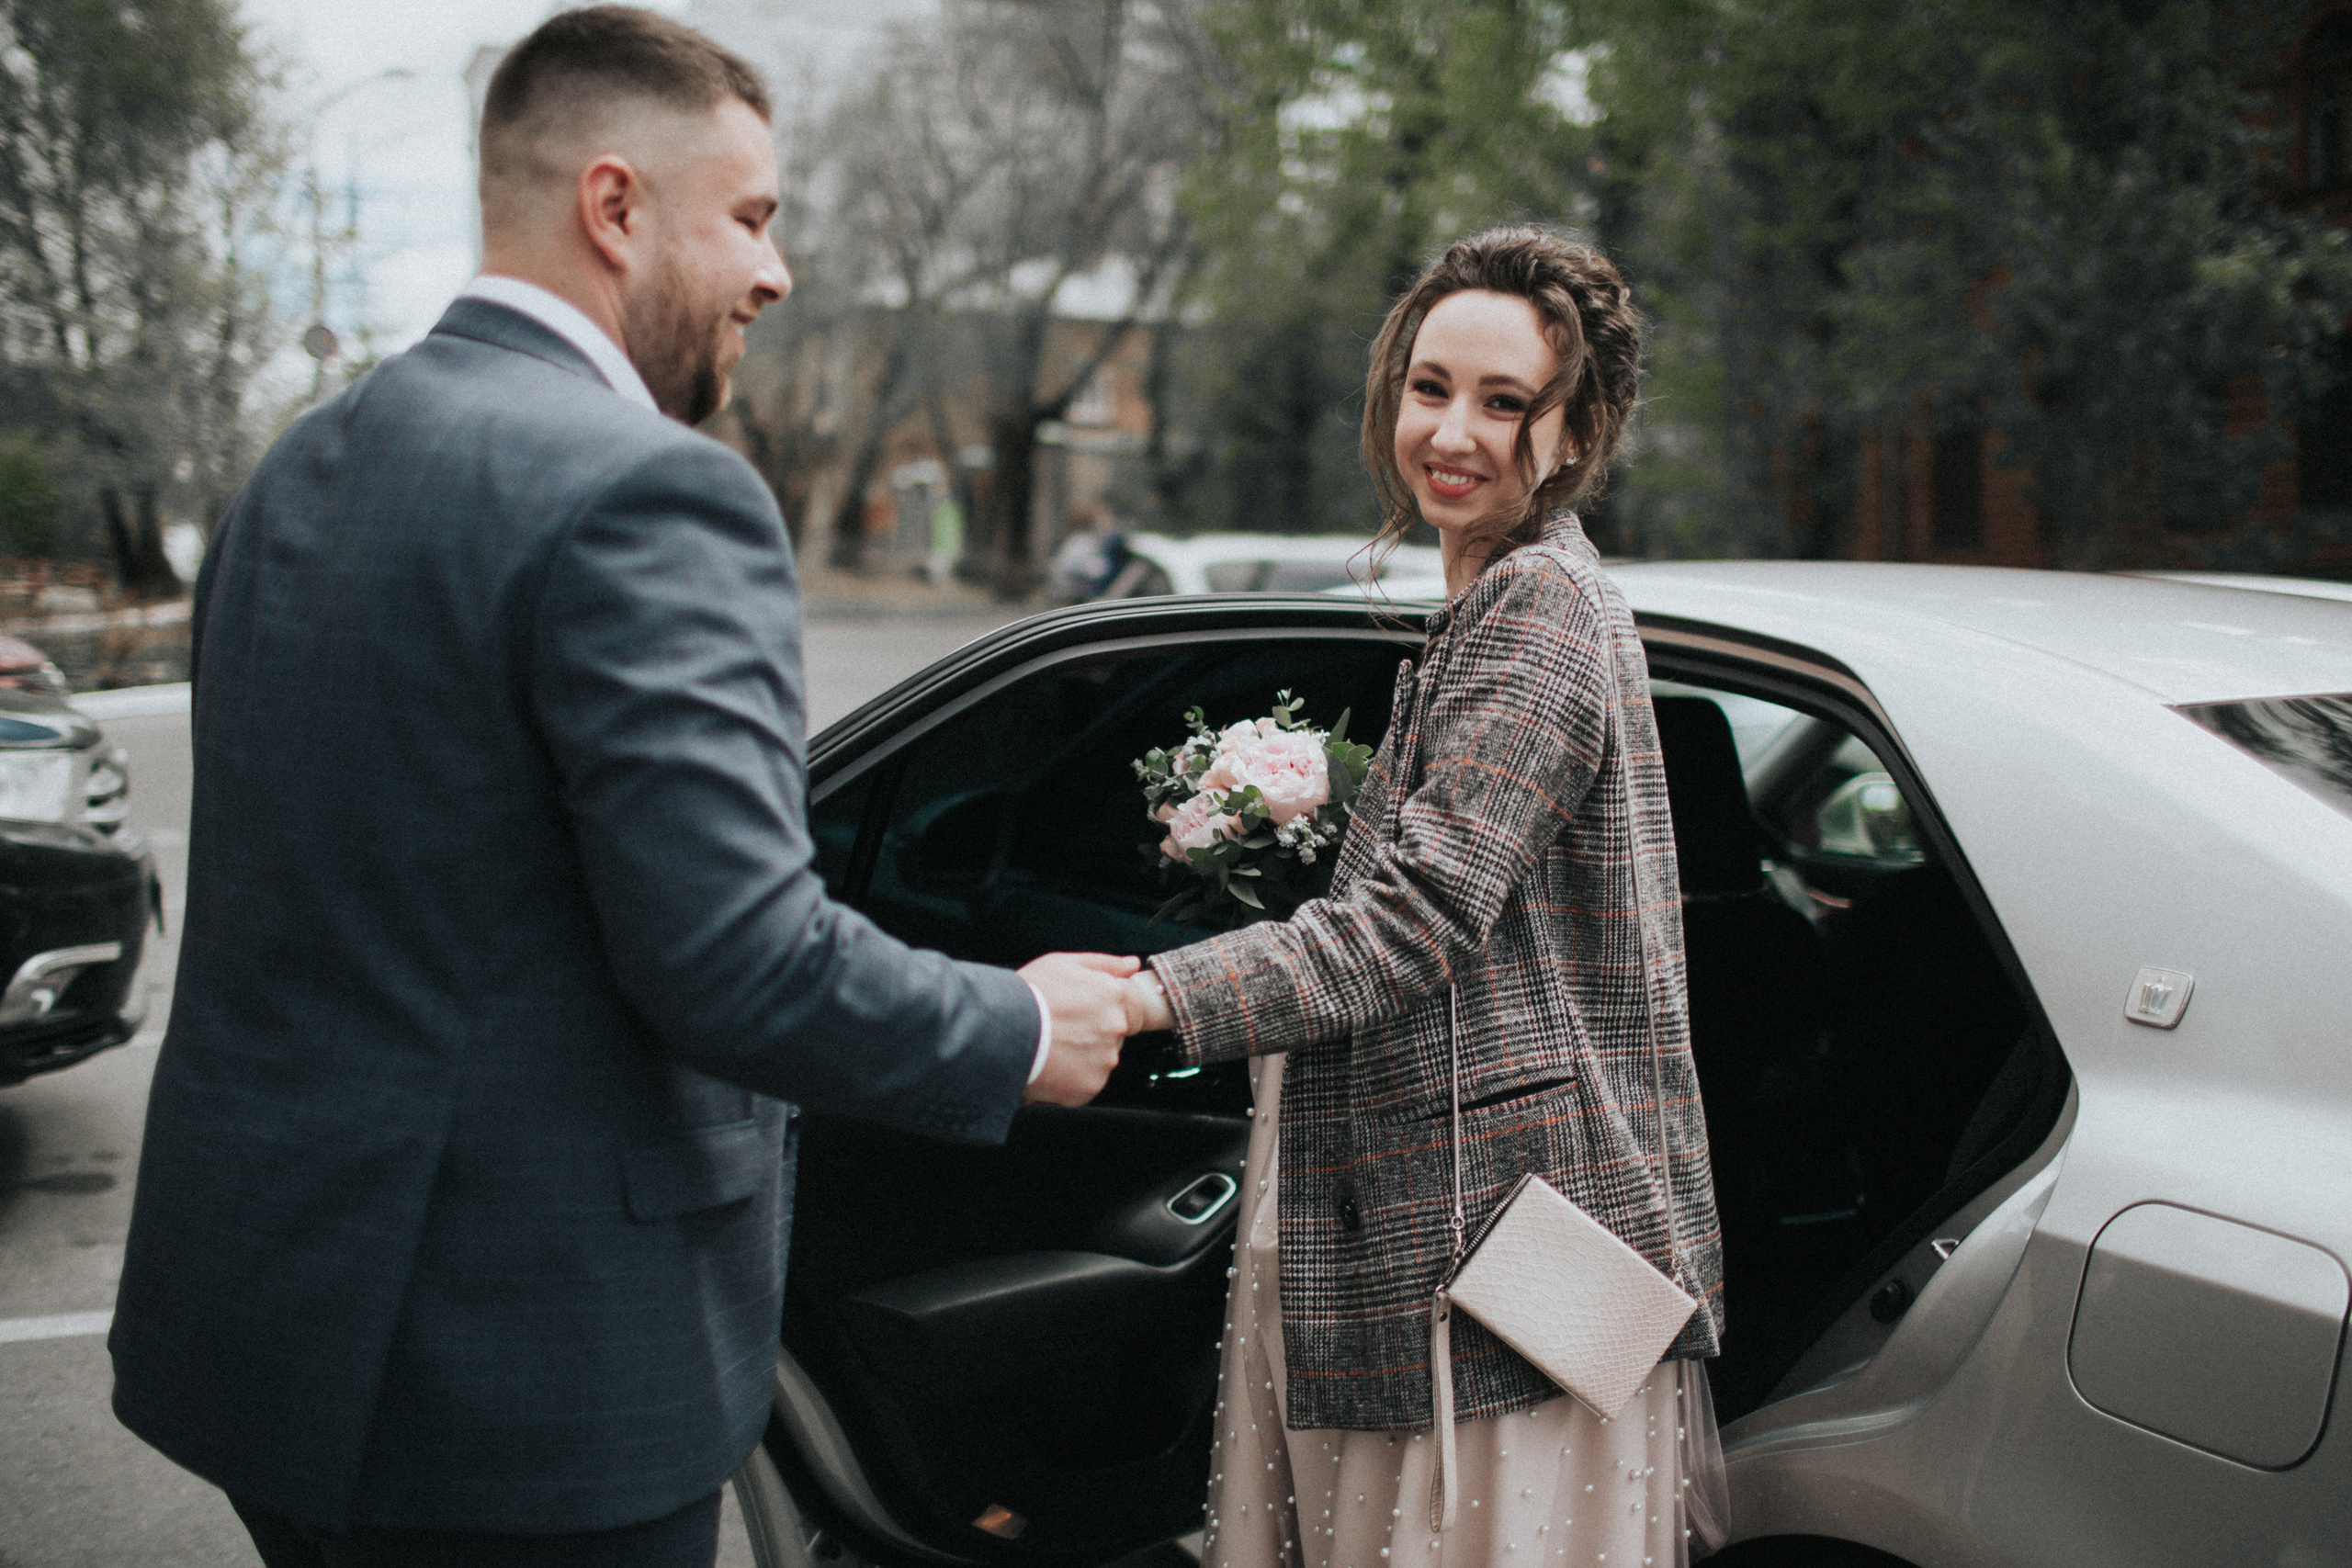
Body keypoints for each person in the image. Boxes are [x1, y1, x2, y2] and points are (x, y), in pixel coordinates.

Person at [107, 10, 1138, 1565]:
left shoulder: (298, 469)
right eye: (750, 217)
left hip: (273, 1343)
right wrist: (1018, 1029)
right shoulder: (649, 490)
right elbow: (742, 963)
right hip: (527, 1391)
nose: (774, 273)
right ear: (614, 207)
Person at [1125, 227, 1728, 1566]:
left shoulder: (1539, 612)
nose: (1452, 431)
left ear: (1574, 433)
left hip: (1497, 1255)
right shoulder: (1497, 600)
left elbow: (1414, 921)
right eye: (1430, 386)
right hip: (1470, 1225)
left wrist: (1154, 996)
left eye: (1505, 402)